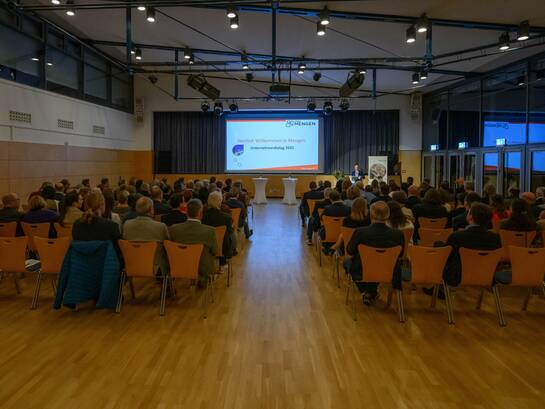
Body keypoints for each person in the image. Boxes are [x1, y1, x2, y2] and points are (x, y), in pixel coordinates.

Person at [345, 201, 405, 305]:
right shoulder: (398, 234)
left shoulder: (360, 232)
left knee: (347, 262)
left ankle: (367, 292)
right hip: (389, 270)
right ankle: (370, 292)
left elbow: (350, 251)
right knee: (376, 265)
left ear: (371, 214)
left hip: (363, 269)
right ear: (388, 215)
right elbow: (400, 255)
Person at [441, 202, 501, 287]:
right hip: (486, 274)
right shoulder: (495, 238)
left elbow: (445, 257)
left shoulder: (457, 236)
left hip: (458, 276)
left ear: (470, 217)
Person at [168, 199, 217, 286]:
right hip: (202, 268)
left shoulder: (173, 229)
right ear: (201, 214)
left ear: (186, 213)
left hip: (178, 265)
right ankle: (202, 280)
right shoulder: (210, 231)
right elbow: (215, 251)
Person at [123, 197, 170, 276]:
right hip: (155, 268)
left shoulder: (127, 225)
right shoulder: (160, 227)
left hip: (133, 265)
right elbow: (168, 245)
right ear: (151, 209)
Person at [203, 191, 236, 264]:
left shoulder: (203, 216)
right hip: (223, 247)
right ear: (220, 202)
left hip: (206, 247)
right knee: (231, 234)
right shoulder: (226, 217)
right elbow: (230, 231)